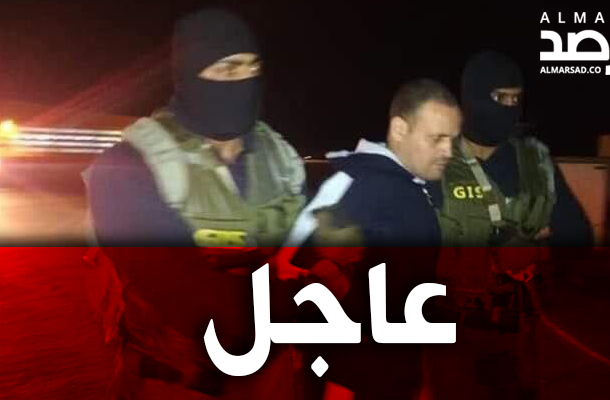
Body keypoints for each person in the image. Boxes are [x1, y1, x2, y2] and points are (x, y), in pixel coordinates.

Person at [81, 7, 306, 399]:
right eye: (227, 69)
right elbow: (209, 309)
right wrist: (318, 289)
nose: (245, 82)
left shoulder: (274, 161)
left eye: (252, 68)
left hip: (270, 378)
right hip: (175, 381)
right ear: (189, 75)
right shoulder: (127, 168)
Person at [277, 78, 462, 400]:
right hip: (357, 375)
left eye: (451, 140)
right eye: (436, 139)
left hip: (403, 371)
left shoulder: (417, 190)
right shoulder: (358, 181)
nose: (447, 151)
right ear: (400, 130)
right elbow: (290, 262)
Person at [427, 50, 594, 400]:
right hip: (451, 335)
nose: (508, 107)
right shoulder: (433, 160)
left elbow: (579, 236)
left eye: (515, 99)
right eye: (498, 97)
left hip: (516, 337)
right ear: (471, 98)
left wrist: (531, 245)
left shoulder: (534, 161)